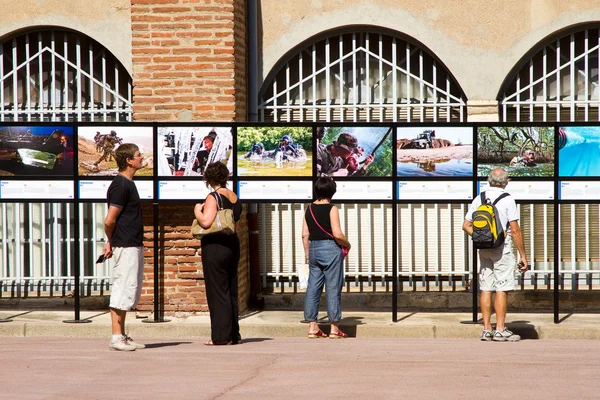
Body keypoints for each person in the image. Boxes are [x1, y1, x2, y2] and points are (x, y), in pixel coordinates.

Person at [462, 168, 528, 342]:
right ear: (506, 181)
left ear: (489, 180)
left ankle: (486, 329)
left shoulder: (479, 198)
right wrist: (523, 255)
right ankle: (500, 329)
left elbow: (466, 225)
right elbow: (515, 230)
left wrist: (482, 238)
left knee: (486, 288)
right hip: (502, 249)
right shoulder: (508, 199)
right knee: (502, 288)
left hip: (484, 248)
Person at [102, 143, 146, 351]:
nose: (141, 157)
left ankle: (122, 335)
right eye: (138, 155)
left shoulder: (128, 183)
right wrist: (110, 241)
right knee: (122, 289)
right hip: (125, 244)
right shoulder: (120, 186)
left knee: (130, 289)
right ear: (128, 160)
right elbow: (110, 219)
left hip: (132, 243)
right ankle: (115, 337)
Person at [194, 162, 242, 345]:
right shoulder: (234, 197)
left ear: (208, 178)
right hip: (232, 244)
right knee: (231, 289)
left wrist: (197, 210)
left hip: (215, 246)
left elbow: (206, 222)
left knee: (217, 291)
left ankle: (221, 337)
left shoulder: (213, 197)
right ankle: (233, 335)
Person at [302, 176, 352, 339]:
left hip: (314, 249)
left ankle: (312, 327)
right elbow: (337, 234)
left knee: (313, 288)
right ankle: (334, 328)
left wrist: (307, 254)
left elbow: (304, 234)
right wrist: (347, 244)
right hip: (330, 249)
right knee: (333, 287)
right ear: (332, 191)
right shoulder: (332, 209)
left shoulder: (308, 209)